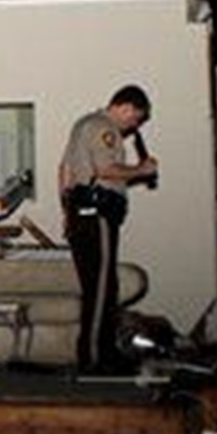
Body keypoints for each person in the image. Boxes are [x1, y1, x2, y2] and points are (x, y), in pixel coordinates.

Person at [58, 84, 159, 373]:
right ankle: (95, 359)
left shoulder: (83, 123)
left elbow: (65, 169)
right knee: (102, 290)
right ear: (125, 107)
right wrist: (142, 170)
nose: (133, 126)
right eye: (135, 119)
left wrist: (67, 211)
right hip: (98, 215)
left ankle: (101, 354)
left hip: (82, 214)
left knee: (99, 287)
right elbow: (104, 170)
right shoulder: (105, 128)